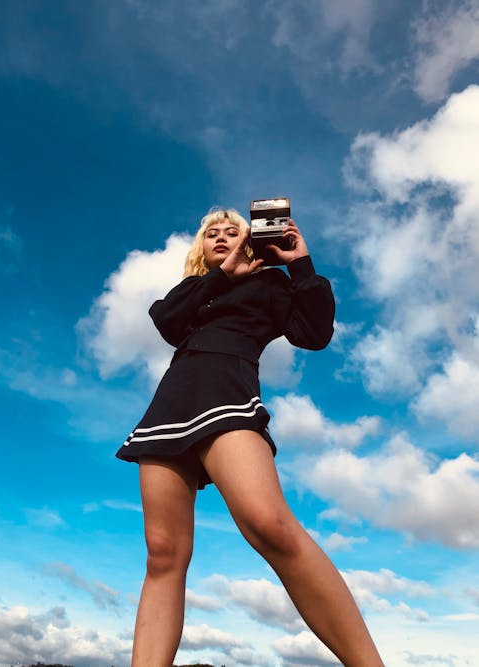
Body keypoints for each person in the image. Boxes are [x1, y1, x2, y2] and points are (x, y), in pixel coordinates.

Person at [116, 208, 384, 667]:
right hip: (171, 405)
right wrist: (222, 275)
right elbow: (165, 321)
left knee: (270, 525)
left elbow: (314, 334)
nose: (221, 237)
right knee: (163, 556)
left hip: (230, 394)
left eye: (232, 231)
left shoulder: (273, 285)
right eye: (212, 234)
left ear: (254, 238)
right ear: (202, 248)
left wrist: (299, 263)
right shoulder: (198, 289)